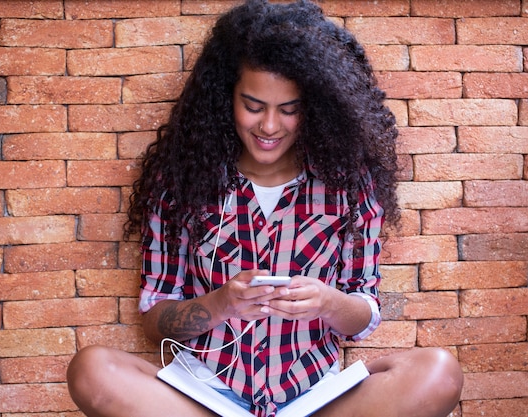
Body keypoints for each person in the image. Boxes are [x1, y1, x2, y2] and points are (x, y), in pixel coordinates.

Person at [66, 1, 463, 416]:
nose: (269, 126)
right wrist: (221, 304)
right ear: (225, 97)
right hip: (205, 398)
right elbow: (154, 318)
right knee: (93, 369)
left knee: (438, 372)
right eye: (253, 106)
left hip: (313, 400)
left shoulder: (348, 184)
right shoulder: (182, 181)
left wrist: (328, 302)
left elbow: (363, 314)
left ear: (314, 107)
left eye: (289, 110)